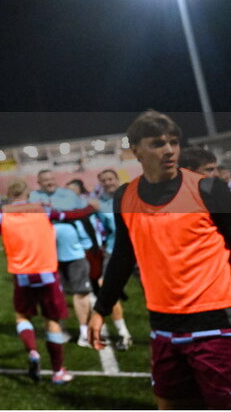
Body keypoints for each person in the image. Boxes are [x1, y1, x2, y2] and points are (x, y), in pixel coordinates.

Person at [89, 111, 231, 409]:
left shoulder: (208, 189)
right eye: (157, 143)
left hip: (216, 326)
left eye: (174, 142)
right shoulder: (126, 197)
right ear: (136, 150)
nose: (169, 150)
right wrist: (101, 308)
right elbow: (123, 257)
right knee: (169, 404)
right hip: (163, 328)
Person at [0, 180, 97, 384]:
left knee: (22, 317)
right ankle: (58, 372)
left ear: (9, 194)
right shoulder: (42, 210)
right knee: (51, 322)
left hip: (22, 276)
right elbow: (72, 215)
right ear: (28, 194)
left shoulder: (1, 215)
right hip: (48, 275)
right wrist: (89, 208)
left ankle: (33, 352)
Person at [30, 170, 94, 346]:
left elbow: (82, 216)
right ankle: (60, 329)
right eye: (45, 180)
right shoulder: (33, 197)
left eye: (51, 179)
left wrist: (88, 242)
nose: (49, 182)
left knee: (80, 291)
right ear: (39, 182)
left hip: (74, 252)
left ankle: (83, 332)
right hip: (47, 255)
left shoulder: (68, 195)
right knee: (53, 294)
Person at [93, 168, 134, 350]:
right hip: (114, 251)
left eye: (110, 178)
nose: (108, 182)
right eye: (104, 180)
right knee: (109, 289)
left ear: (117, 179)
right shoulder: (100, 205)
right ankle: (124, 334)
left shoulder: (133, 195)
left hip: (141, 250)